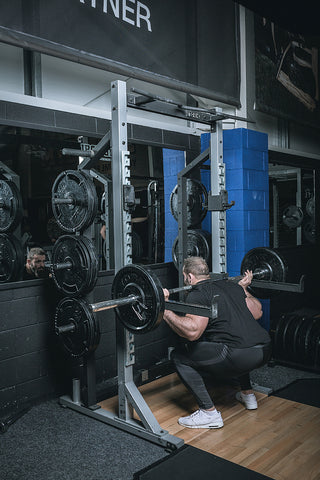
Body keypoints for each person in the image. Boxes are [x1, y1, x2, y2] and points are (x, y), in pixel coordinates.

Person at [163, 256, 272, 429]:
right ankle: (248, 395)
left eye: (185, 276)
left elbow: (193, 333)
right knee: (236, 336)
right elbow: (257, 311)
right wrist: (244, 289)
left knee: (179, 357)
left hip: (240, 355)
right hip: (265, 349)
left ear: (189, 277)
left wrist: (165, 307)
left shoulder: (197, 294)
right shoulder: (232, 286)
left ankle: (209, 413)